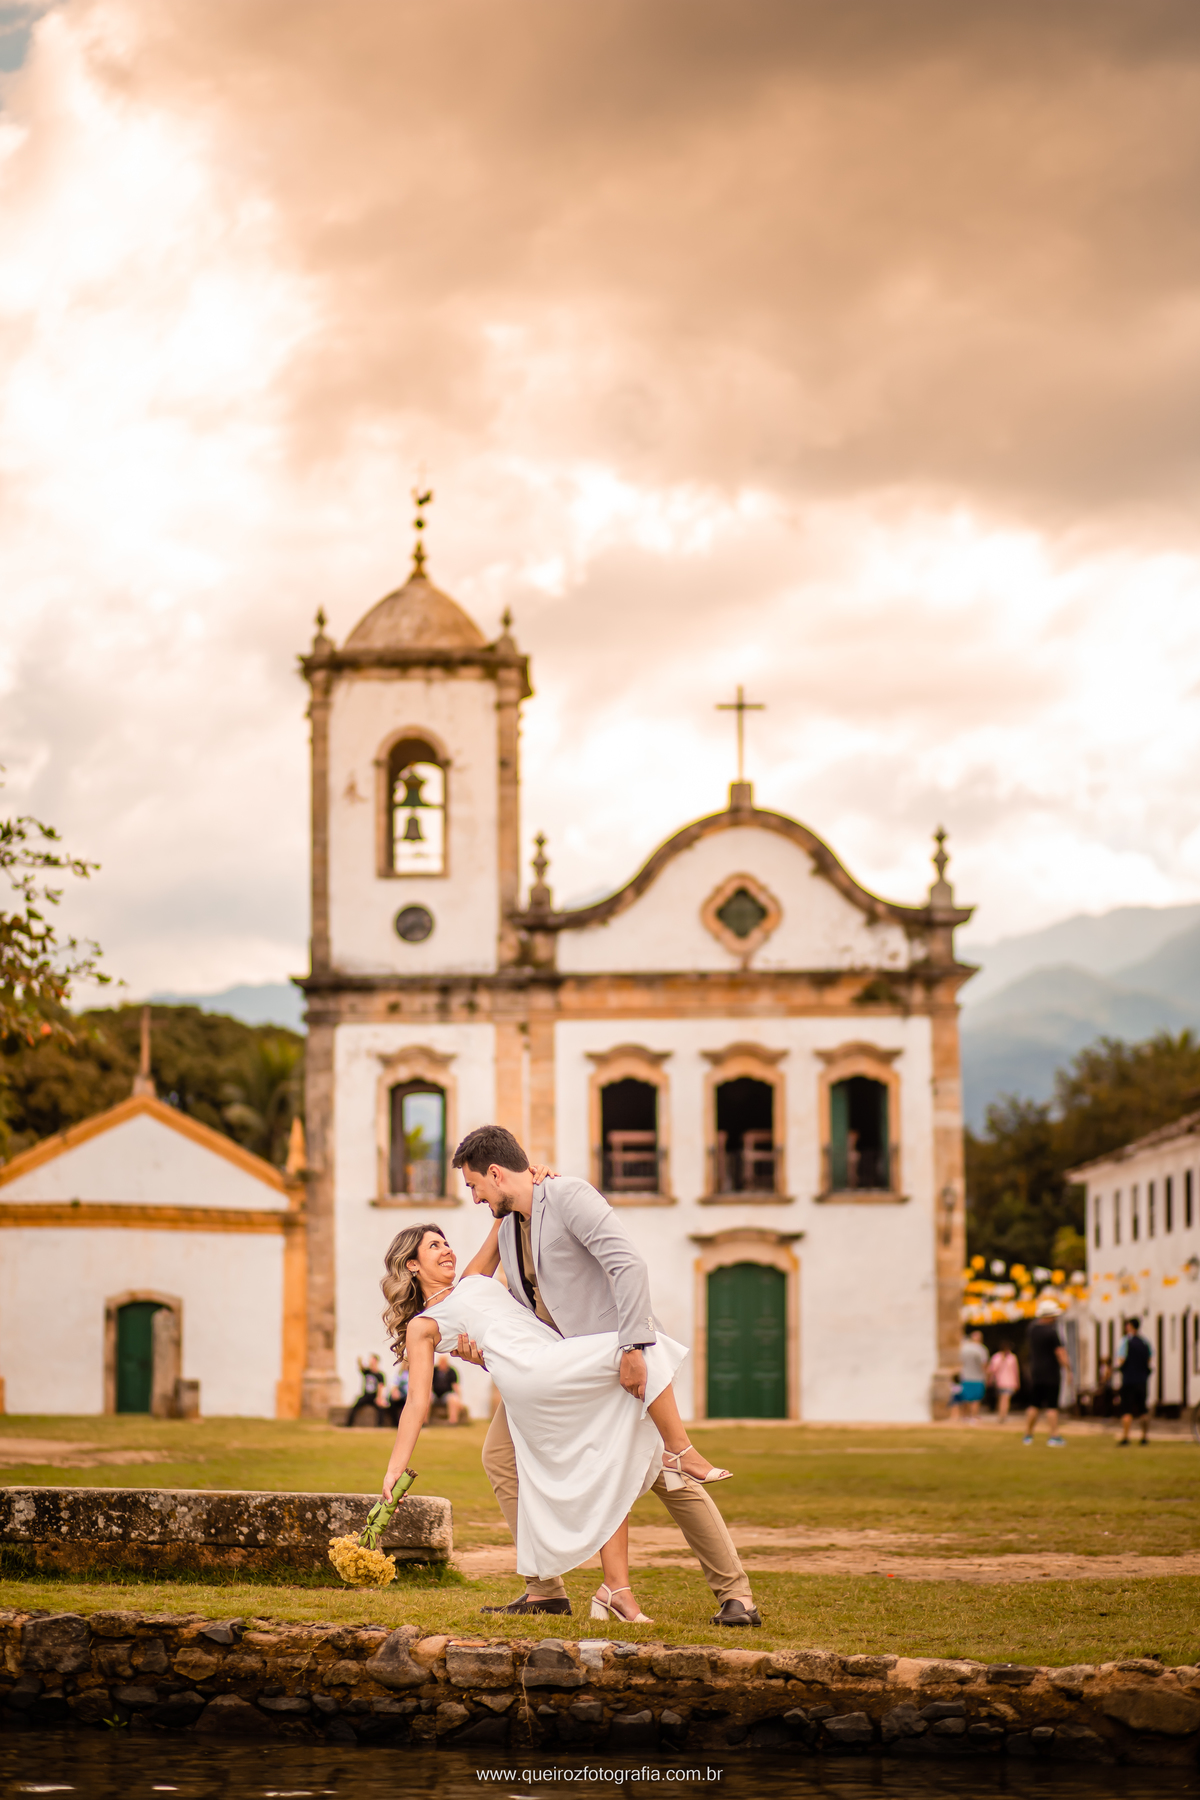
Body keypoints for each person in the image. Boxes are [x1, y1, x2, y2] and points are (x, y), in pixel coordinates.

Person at [449, 1123, 762, 1629]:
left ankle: (737, 1596)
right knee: (501, 1458)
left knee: (665, 1473)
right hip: (556, 1370)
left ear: (494, 1172)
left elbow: (628, 1265)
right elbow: (496, 1296)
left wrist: (634, 1346)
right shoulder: (509, 1228)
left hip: (613, 1365)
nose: (474, 1197)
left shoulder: (568, 1194)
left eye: (475, 1187)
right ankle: (545, 1589)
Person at [379, 1218, 715, 1626]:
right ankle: (679, 1450)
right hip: (536, 1371)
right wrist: (395, 1467)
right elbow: (417, 1402)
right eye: (433, 1246)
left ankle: (616, 1591)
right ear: (412, 1265)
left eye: (446, 1242)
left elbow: (504, 1212)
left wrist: (534, 1174)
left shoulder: (472, 1278)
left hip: (556, 1358)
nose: (447, 1249)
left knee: (608, 1452)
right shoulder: (423, 1324)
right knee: (641, 1343)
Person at [1023, 1298, 1070, 1447]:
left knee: (1034, 1404)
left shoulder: (1032, 1330)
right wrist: (1068, 1369)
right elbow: (1060, 1352)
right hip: (1051, 1372)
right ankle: (1054, 1435)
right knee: (1052, 1405)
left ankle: (1028, 1434)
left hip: (1036, 1371)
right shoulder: (1052, 1332)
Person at [1115, 1318, 1153, 1446]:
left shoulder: (1126, 1341)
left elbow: (1121, 1359)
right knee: (1143, 1409)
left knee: (1126, 1409)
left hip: (1129, 1380)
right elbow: (1149, 1359)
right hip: (1142, 1380)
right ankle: (1144, 1436)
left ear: (1130, 1326)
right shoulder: (1145, 1342)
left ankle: (1126, 1437)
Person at [347, 1353, 387, 1428]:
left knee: (381, 1409)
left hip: (374, 1397)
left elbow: (381, 1387)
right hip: (366, 1396)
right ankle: (348, 1424)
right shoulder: (367, 1372)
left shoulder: (380, 1375)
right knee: (355, 1405)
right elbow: (361, 1368)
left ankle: (380, 1426)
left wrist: (379, 1398)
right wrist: (359, 1361)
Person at [957, 1330, 988, 1424]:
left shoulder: (964, 1348)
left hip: (966, 1377)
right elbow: (984, 1364)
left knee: (966, 1398)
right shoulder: (981, 1349)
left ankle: (964, 1416)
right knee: (976, 1399)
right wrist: (986, 1375)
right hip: (977, 1377)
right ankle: (973, 1417)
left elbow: (960, 1362)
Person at [987, 1341, 1021, 1424]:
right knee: (1003, 1399)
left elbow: (1015, 1371)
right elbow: (992, 1370)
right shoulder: (997, 1357)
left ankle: (1003, 1415)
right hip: (1000, 1381)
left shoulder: (1012, 1357)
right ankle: (1002, 1415)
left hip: (1009, 1381)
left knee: (1005, 1398)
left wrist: (1017, 1382)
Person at [430, 1355, 464, 1425]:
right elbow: (429, 1385)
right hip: (434, 1394)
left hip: (446, 1395)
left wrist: (459, 1400)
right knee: (427, 1398)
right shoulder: (434, 1370)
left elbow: (455, 1386)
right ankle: (424, 1422)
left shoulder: (452, 1371)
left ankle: (453, 1422)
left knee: (453, 1399)